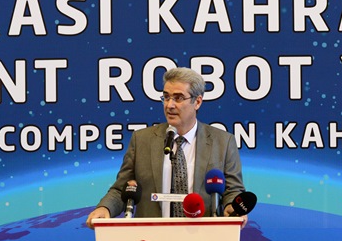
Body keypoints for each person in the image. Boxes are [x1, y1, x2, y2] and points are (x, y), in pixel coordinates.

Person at [86, 67, 245, 226]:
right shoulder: (142, 141)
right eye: (166, 97)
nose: (169, 105)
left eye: (178, 98)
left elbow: (233, 190)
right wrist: (105, 208)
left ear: (197, 102)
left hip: (204, 235)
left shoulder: (223, 142)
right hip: (152, 236)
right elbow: (122, 189)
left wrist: (232, 207)